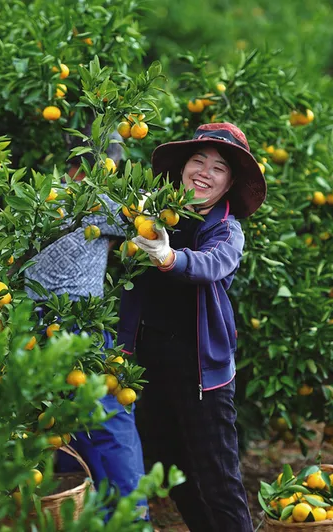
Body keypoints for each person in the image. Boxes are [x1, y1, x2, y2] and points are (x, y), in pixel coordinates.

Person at [118, 122, 267, 531]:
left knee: (219, 478)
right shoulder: (152, 213)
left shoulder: (225, 229)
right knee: (173, 473)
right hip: (148, 366)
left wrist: (168, 257)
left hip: (201, 372)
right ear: (183, 167)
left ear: (229, 182)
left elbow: (211, 263)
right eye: (198, 160)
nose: (204, 171)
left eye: (218, 167)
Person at [24, 128, 149, 521]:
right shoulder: (100, 202)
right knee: (107, 427)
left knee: (56, 429)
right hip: (76, 324)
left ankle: (73, 517)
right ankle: (126, 523)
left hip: (29, 328)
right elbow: (150, 226)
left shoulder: (39, 199)